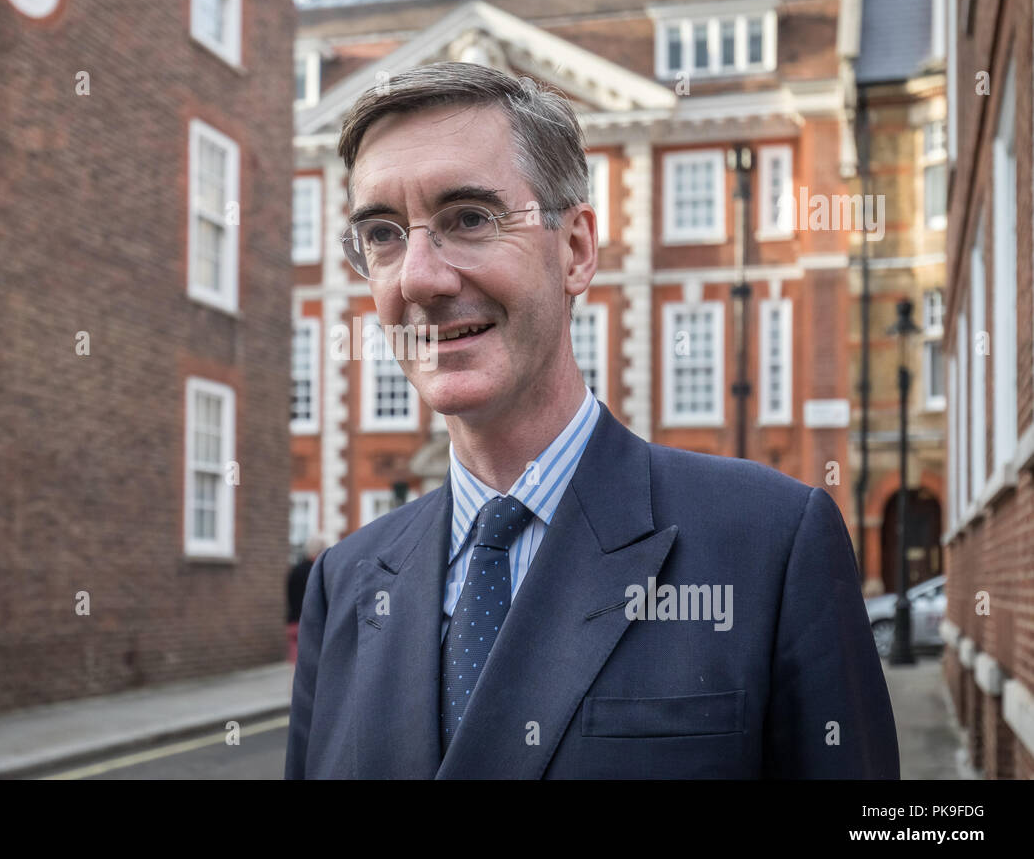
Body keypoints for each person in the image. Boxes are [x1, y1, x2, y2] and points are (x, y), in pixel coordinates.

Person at [285, 62, 898, 779]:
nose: (419, 277)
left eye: (470, 219)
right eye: (384, 234)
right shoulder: (345, 583)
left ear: (575, 249)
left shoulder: (770, 546)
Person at [286, 536, 324, 663]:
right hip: (309, 624)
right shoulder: (316, 572)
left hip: (293, 622)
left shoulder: (295, 570)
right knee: (311, 664)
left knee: (296, 663)